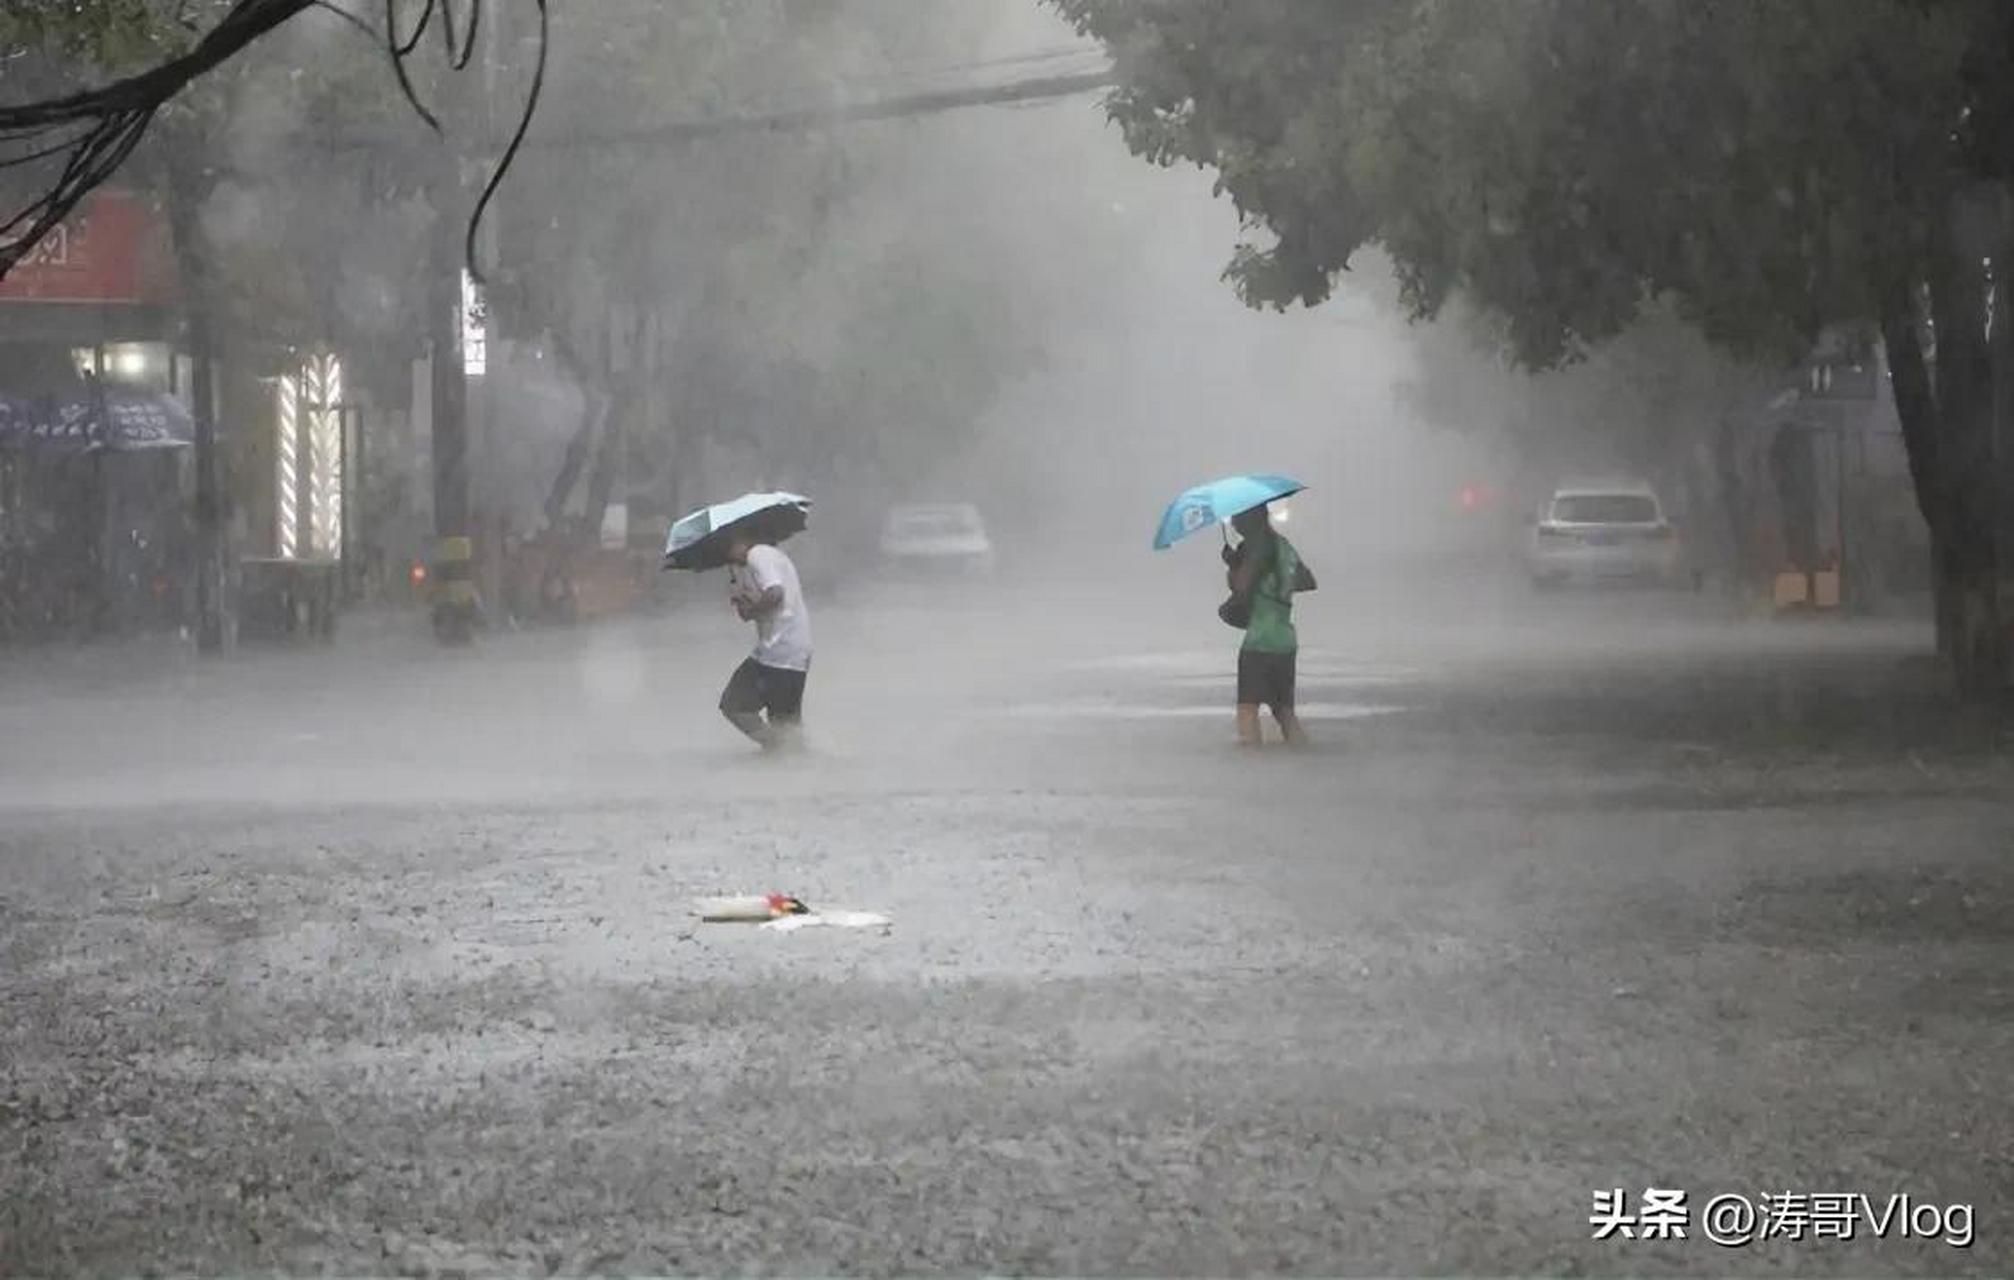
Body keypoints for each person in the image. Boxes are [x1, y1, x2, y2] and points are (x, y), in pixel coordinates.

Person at [1223, 504, 1316, 747]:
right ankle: (1303, 757)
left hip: (1260, 639)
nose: (1233, 523)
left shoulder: (1255, 547)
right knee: (1284, 711)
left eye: (1237, 517)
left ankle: (1252, 770)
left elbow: (1242, 587)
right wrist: (1278, 583)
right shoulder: (1284, 546)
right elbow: (1307, 581)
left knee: (1247, 709)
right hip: (1285, 639)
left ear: (1249, 519)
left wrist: (1234, 565)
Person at [719, 531, 812, 751]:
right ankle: (784, 753)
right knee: (783, 724)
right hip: (780, 652)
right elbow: (754, 612)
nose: (727, 555)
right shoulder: (764, 561)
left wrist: (751, 606)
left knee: (744, 709)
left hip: (781, 652)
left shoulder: (759, 554)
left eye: (728, 547)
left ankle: (782, 752)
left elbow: (775, 594)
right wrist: (742, 599)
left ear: (742, 540)